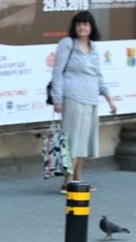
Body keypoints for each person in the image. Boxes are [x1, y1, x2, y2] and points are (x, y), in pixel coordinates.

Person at [50, 11, 117, 193]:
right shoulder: (67, 44)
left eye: (86, 24)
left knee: (84, 141)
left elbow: (98, 74)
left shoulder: (94, 47)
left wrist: (109, 98)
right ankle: (67, 180)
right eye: (79, 24)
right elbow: (57, 73)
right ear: (74, 26)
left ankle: (78, 178)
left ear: (91, 27)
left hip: (91, 98)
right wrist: (57, 99)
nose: (82, 27)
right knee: (71, 141)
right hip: (73, 97)